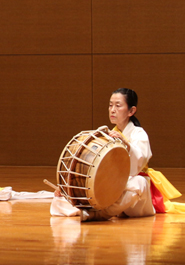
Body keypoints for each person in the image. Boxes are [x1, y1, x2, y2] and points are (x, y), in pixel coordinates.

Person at [51, 88, 182, 221]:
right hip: (114, 187)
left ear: (131, 111)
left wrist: (126, 143)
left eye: (118, 105)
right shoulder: (107, 135)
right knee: (64, 196)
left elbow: (138, 163)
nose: (112, 110)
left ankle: (100, 214)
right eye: (110, 105)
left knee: (139, 182)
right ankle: (86, 209)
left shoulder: (139, 133)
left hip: (138, 201)